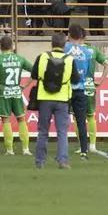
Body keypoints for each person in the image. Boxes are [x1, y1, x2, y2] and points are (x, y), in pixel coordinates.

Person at [30, 33, 76, 169]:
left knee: (43, 131)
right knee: (62, 132)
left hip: (44, 98)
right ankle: (63, 160)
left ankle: (40, 161)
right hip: (62, 99)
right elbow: (76, 79)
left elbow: (33, 74)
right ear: (64, 44)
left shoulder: (42, 57)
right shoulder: (69, 59)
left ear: (52, 43)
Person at [0, 35, 33, 156]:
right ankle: (26, 149)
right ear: (12, 46)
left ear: (0, 47)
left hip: (4, 92)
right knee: (21, 119)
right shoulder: (19, 59)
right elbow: (35, 71)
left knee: (5, 120)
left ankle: (10, 150)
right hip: (17, 92)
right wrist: (25, 85)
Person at [64, 24, 106, 158]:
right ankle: (88, 147)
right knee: (88, 117)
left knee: (66, 118)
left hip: (67, 88)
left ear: (69, 35)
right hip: (86, 86)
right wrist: (101, 80)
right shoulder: (90, 51)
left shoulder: (66, 48)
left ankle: (64, 148)